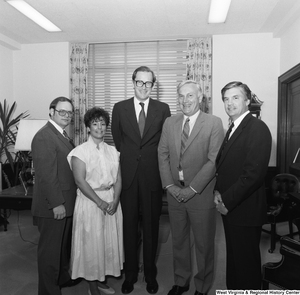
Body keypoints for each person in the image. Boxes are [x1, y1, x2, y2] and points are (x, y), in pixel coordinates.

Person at [158, 80, 224, 295]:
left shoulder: (213, 123)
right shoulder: (170, 122)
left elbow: (213, 161)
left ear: (200, 98)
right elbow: (163, 154)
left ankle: (203, 287)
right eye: (181, 96)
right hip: (175, 194)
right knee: (179, 242)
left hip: (200, 194)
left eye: (190, 96)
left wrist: (192, 189)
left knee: (204, 246)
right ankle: (181, 281)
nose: (185, 100)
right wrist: (169, 185)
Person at [111, 66, 171, 294]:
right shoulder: (119, 108)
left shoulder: (163, 109)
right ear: (133, 82)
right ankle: (130, 274)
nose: (144, 87)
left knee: (151, 228)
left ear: (153, 85)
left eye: (148, 83)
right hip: (128, 178)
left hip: (152, 177)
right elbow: (119, 140)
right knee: (128, 228)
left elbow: (165, 143)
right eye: (140, 82)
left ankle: (150, 274)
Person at [214, 81, 272, 290]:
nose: (230, 103)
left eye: (235, 97)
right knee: (235, 261)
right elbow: (226, 166)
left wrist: (226, 201)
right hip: (231, 209)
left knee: (246, 266)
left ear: (247, 100)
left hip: (244, 210)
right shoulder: (233, 127)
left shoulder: (257, 128)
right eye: (226, 99)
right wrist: (218, 192)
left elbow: (253, 175)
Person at [67, 107, 123, 295]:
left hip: (111, 201)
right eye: (95, 123)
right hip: (90, 202)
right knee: (91, 244)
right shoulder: (79, 152)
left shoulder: (113, 151)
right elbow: (80, 181)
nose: (99, 127)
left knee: (107, 243)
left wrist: (115, 201)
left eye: (102, 123)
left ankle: (101, 280)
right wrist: (100, 203)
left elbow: (119, 179)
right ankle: (92, 285)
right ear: (88, 127)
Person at [31, 96, 79, 295]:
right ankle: (48, 291)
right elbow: (46, 176)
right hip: (54, 206)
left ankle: (61, 278)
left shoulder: (61, 134)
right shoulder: (44, 136)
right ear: (51, 112)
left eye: (69, 112)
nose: (66, 116)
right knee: (50, 253)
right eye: (62, 112)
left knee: (61, 249)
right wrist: (57, 204)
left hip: (65, 202)